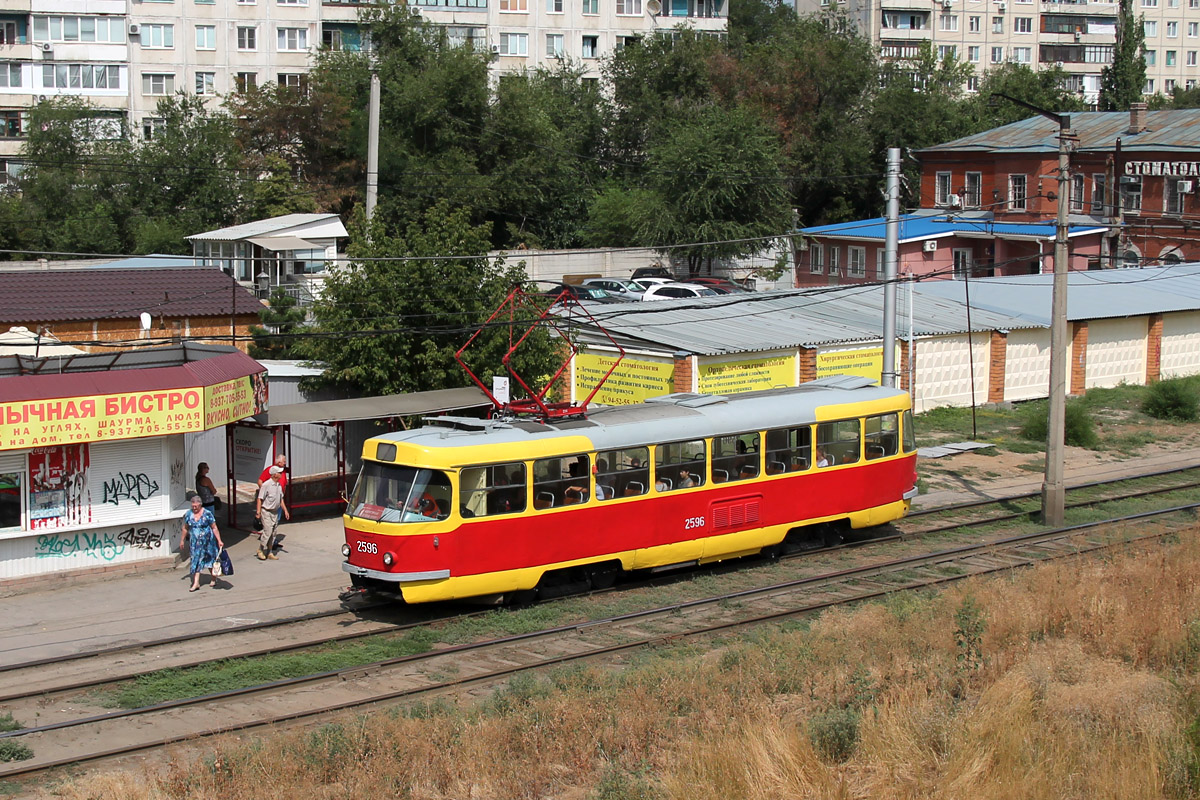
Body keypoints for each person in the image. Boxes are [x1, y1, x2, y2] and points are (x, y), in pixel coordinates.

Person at [180, 493, 223, 591]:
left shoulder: (207, 514)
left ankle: (213, 577)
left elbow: (214, 527)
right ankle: (196, 583)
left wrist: (219, 540)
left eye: (196, 506)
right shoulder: (188, 514)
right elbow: (185, 528)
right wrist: (182, 540)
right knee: (196, 561)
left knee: (210, 560)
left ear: (200, 505)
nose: (194, 508)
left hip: (208, 542)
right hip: (195, 543)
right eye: (193, 506)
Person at [255, 465, 290, 560]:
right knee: (268, 531)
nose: (281, 474)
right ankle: (260, 549)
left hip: (275, 512)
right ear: (274, 474)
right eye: (279, 473)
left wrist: (285, 510)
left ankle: (269, 552)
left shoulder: (278, 486)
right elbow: (260, 499)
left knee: (273, 532)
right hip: (266, 511)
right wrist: (258, 512)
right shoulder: (266, 485)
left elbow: (281, 499)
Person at [257, 455, 288, 524]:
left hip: (279, 500)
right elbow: (260, 481)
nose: (285, 463)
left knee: (276, 521)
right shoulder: (270, 470)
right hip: (270, 502)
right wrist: (267, 492)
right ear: (279, 462)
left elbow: (284, 483)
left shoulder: (283, 471)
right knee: (269, 523)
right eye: (284, 461)